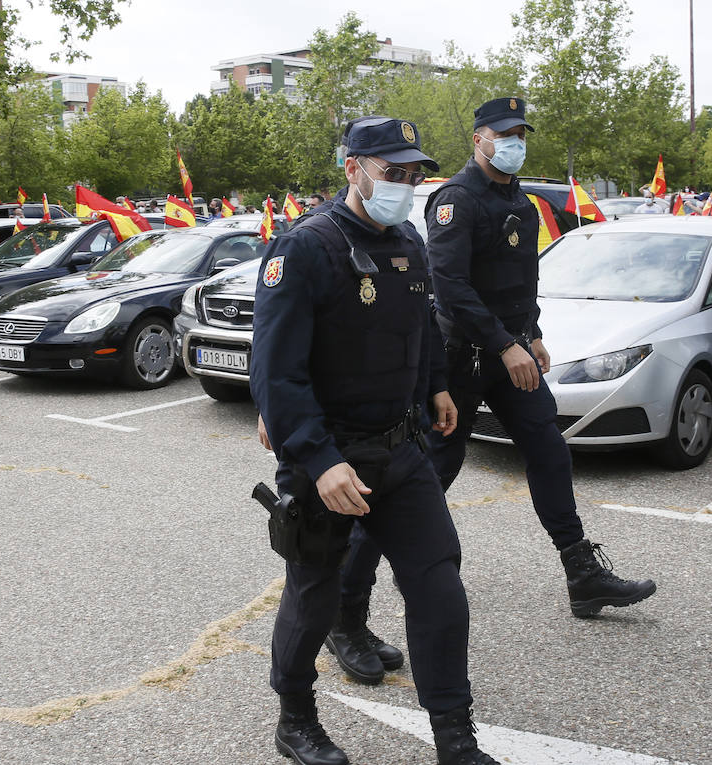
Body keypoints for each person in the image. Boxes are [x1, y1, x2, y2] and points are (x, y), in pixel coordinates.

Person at [251, 115, 499, 765]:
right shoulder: (305, 247)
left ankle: (456, 739)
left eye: (414, 173)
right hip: (328, 460)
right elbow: (276, 373)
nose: (407, 184)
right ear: (352, 169)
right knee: (315, 594)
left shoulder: (407, 241)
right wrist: (316, 458)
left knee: (439, 584)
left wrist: (438, 386)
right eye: (393, 172)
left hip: (400, 448)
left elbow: (420, 326)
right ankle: (295, 718)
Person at [426, 97, 656, 617]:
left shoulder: (523, 205)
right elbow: (452, 288)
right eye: (505, 134)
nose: (515, 144)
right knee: (436, 469)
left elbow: (523, 282)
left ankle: (583, 574)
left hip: (513, 354)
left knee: (549, 450)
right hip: (463, 358)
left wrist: (531, 333)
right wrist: (507, 344)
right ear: (479, 139)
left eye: (522, 135)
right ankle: (382, 576)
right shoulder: (455, 201)